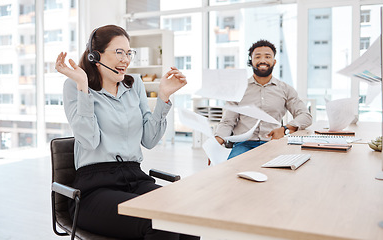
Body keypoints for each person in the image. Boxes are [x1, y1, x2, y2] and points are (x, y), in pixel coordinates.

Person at [55, 25, 199, 240]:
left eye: (129, 52)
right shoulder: (75, 85)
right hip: (94, 189)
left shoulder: (135, 86)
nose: (126, 59)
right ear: (96, 55)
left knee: (187, 214)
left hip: (135, 178)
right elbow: (89, 140)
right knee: (160, 221)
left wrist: (163, 98)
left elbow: (149, 140)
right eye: (118, 52)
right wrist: (83, 86)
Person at [214, 39, 312, 160]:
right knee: (231, 171)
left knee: (279, 173)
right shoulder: (238, 89)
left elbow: (305, 116)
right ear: (251, 61)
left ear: (274, 61)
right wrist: (217, 141)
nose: (262, 60)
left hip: (273, 143)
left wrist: (285, 129)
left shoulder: (285, 89)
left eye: (267, 56)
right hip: (244, 144)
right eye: (257, 57)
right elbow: (227, 121)